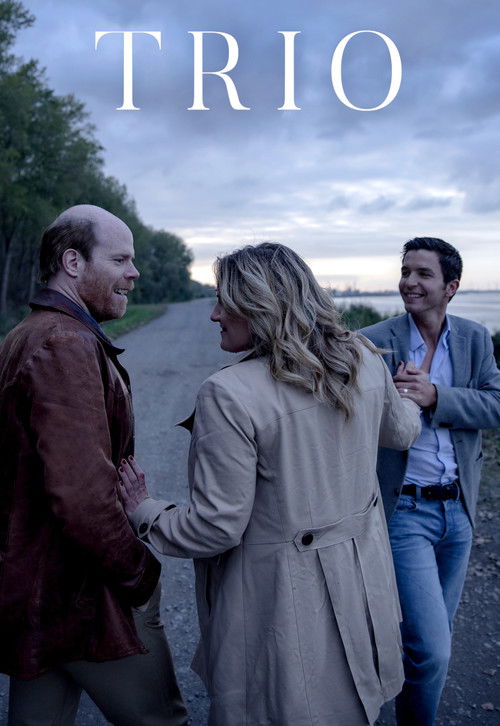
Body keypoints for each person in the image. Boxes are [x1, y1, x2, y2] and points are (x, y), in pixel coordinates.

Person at [118, 242, 421, 726]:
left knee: (281, 705)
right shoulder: (362, 358)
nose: (214, 315)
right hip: (363, 589)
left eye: (225, 302)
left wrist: (145, 511)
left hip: (281, 605)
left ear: (260, 305)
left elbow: (215, 528)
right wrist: (409, 397)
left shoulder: (228, 393)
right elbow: (401, 433)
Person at [0, 205, 187, 726]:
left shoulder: (29, 333)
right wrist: (139, 574)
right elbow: (83, 497)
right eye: (121, 259)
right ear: (73, 262)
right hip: (83, 595)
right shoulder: (63, 343)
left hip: (38, 594)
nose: (134, 273)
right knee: (162, 721)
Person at [360, 236, 500, 726]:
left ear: (451, 287)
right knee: (432, 650)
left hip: (459, 513)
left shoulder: (475, 339)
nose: (409, 282)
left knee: (429, 641)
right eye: (406, 271)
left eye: (423, 274)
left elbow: (496, 405)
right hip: (404, 513)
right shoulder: (373, 342)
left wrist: (435, 395)